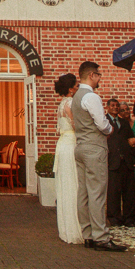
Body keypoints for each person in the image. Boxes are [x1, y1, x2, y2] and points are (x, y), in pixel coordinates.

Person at [71, 61, 124, 251]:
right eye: (99, 75)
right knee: (97, 193)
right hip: (94, 148)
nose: (100, 78)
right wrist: (110, 129)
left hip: (80, 147)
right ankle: (101, 237)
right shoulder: (91, 97)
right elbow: (102, 124)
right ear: (92, 75)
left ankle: (88, 235)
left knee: (83, 193)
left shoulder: (76, 96)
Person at [53, 72, 83, 244]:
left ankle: (67, 228)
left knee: (67, 184)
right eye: (77, 86)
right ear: (71, 88)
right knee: (74, 184)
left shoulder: (61, 103)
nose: (78, 88)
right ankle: (76, 227)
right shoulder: (71, 103)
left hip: (63, 144)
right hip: (71, 143)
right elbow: (76, 125)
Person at [105, 98, 135, 227]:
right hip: (112, 161)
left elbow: (131, 140)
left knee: (129, 191)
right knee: (113, 192)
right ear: (108, 107)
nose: (115, 107)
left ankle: (129, 219)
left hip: (126, 161)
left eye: (117, 106)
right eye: (113, 105)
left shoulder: (124, 122)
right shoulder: (104, 121)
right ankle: (114, 218)